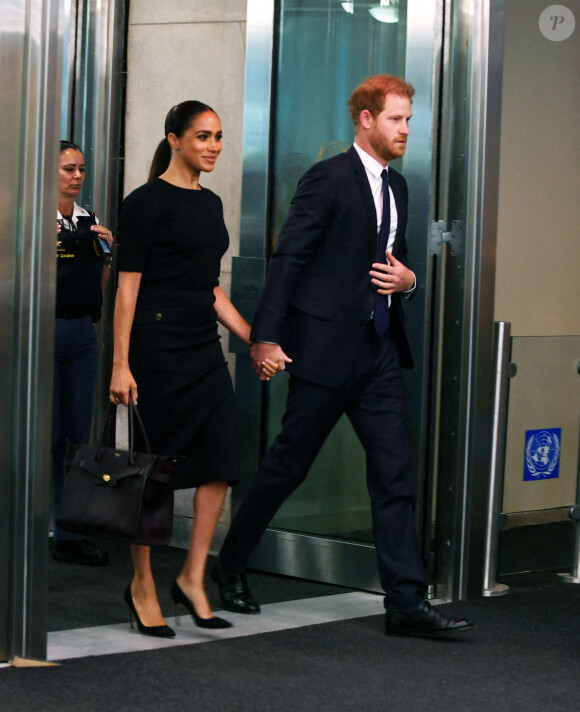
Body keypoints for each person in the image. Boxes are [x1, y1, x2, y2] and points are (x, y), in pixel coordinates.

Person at [212, 75, 473, 638]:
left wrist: (408, 282)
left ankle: (405, 602)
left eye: (408, 119)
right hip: (325, 352)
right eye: (397, 119)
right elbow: (289, 260)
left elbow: (394, 264)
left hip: (378, 352)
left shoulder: (398, 188)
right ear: (366, 119)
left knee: (393, 474)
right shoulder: (326, 179)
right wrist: (265, 337)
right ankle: (231, 562)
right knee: (287, 466)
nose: (407, 129)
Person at [109, 100, 277, 638]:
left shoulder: (212, 203)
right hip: (155, 350)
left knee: (223, 461)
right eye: (203, 136)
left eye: (220, 137)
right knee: (151, 474)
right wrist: (120, 363)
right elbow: (126, 288)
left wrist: (252, 336)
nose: (214, 146)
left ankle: (192, 576)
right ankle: (142, 585)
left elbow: (209, 287)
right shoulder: (144, 203)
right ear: (174, 138)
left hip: (203, 348)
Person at [52, 141, 114, 566]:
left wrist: (105, 249)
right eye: (68, 169)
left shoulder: (89, 222)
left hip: (82, 332)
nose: (77, 176)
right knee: (48, 436)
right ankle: (38, 522)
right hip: (42, 332)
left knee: (78, 437)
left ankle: (71, 531)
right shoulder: (33, 220)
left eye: (81, 169)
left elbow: (101, 287)